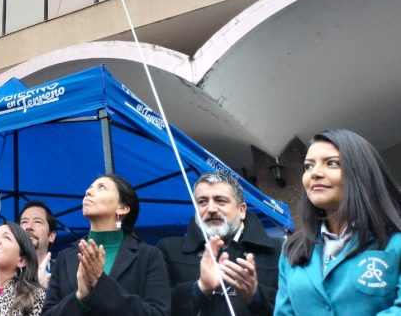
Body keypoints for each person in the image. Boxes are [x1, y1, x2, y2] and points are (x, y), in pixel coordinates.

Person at [275, 129, 401, 315]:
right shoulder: (292, 251)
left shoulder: (395, 241)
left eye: (332, 163)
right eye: (308, 166)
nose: (315, 173)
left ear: (361, 173)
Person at [42, 174, 170, 315]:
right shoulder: (65, 257)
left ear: (122, 208)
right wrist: (79, 297)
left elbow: (159, 313)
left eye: (101, 187)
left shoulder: (149, 256)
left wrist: (101, 283)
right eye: (89, 188)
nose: (88, 191)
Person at [156, 171, 280, 315]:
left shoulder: (278, 251)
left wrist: (255, 296)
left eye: (220, 200)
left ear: (241, 210)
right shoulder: (168, 250)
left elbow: (295, 308)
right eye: (202, 202)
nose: (211, 209)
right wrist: (200, 288)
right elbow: (158, 309)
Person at [20, 201, 58, 289]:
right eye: (24, 222)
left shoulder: (63, 272)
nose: (29, 227)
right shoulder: (7, 272)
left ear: (51, 236)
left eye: (37, 222)